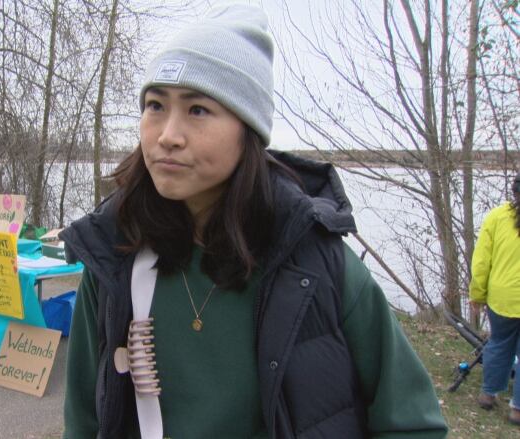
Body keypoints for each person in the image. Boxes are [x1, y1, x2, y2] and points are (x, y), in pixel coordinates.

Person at [59, 5, 448, 438]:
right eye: (155, 105)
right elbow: (84, 423)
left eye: (198, 110)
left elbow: (413, 424)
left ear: (249, 132)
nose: (167, 134)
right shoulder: (115, 257)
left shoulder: (318, 266)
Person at [470, 172, 520, 426]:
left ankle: (488, 394)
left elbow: (481, 262)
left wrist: (477, 294)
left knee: (499, 343)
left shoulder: (497, 217)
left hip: (502, 298)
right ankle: (517, 410)